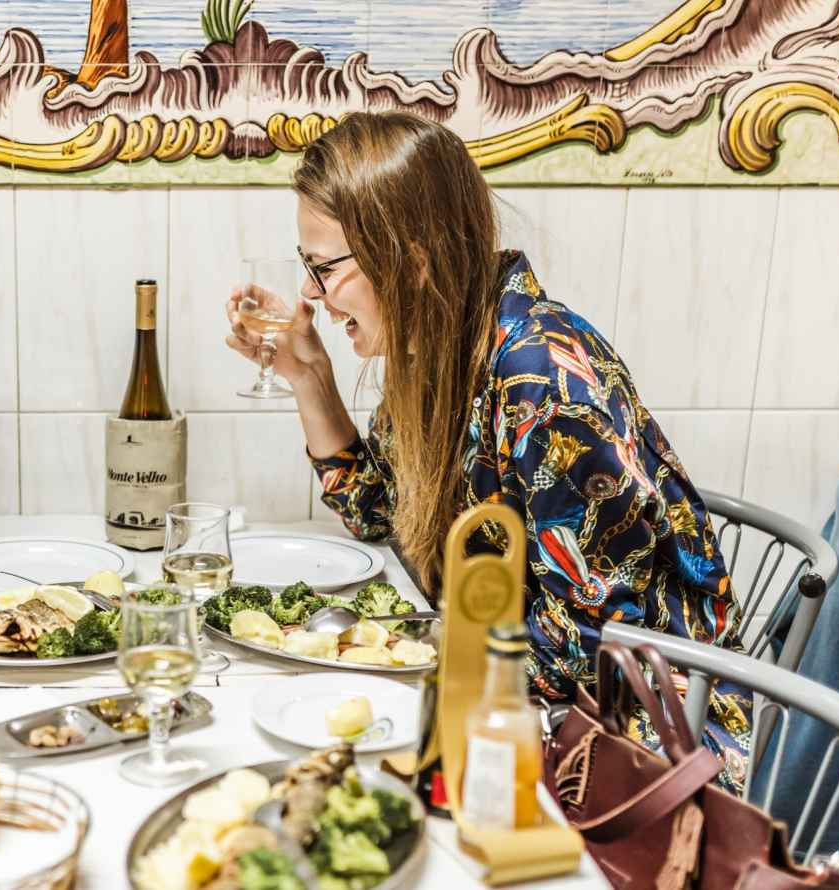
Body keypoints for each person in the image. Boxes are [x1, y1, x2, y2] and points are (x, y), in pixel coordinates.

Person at [225, 111, 751, 786]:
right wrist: (308, 376)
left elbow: (585, 645)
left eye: (323, 267)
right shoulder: (443, 345)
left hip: (642, 745)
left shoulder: (545, 381)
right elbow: (379, 514)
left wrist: (398, 647)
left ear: (410, 262)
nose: (309, 293)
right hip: (526, 699)